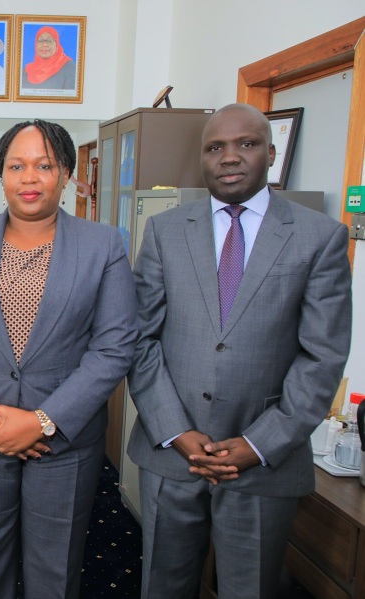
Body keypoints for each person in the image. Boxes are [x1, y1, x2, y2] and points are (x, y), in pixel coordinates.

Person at [127, 103, 352, 599]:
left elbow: (323, 357)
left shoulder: (320, 237)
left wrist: (257, 445)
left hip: (264, 460)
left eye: (246, 144)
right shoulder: (166, 231)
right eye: (215, 147)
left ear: (270, 153)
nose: (230, 157)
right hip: (172, 455)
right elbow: (139, 339)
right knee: (163, 585)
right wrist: (176, 431)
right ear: (202, 159)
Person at [0, 119, 138, 598]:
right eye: (17, 166)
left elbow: (114, 345)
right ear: (1, 176)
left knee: (55, 571)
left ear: (65, 175)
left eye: (44, 165)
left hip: (63, 443)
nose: (30, 177)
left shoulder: (102, 246)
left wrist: (42, 421)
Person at [21, 26, 76, 90]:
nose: (44, 44)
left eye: (49, 41)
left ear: (57, 44)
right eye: (40, 41)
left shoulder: (68, 67)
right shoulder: (26, 71)